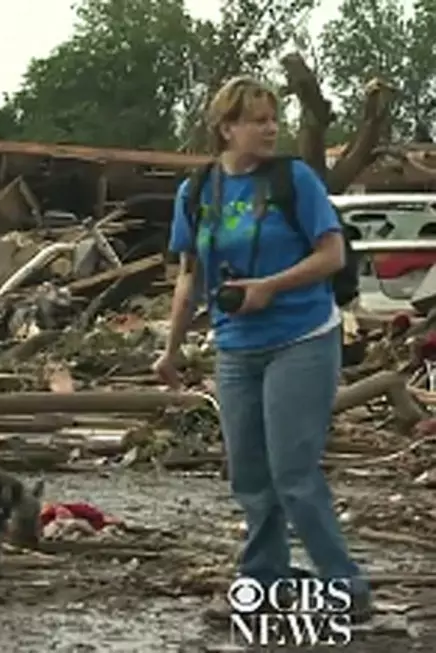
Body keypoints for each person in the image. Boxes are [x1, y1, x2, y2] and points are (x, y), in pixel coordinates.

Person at [152, 76, 373, 621]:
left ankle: (347, 587)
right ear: (226, 128)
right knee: (249, 475)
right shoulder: (198, 190)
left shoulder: (294, 180)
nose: (271, 128)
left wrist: (270, 287)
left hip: (302, 337)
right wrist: (172, 348)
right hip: (235, 346)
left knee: (294, 474)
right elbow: (189, 275)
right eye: (257, 119)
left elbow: (332, 256)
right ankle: (264, 582)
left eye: (274, 118)